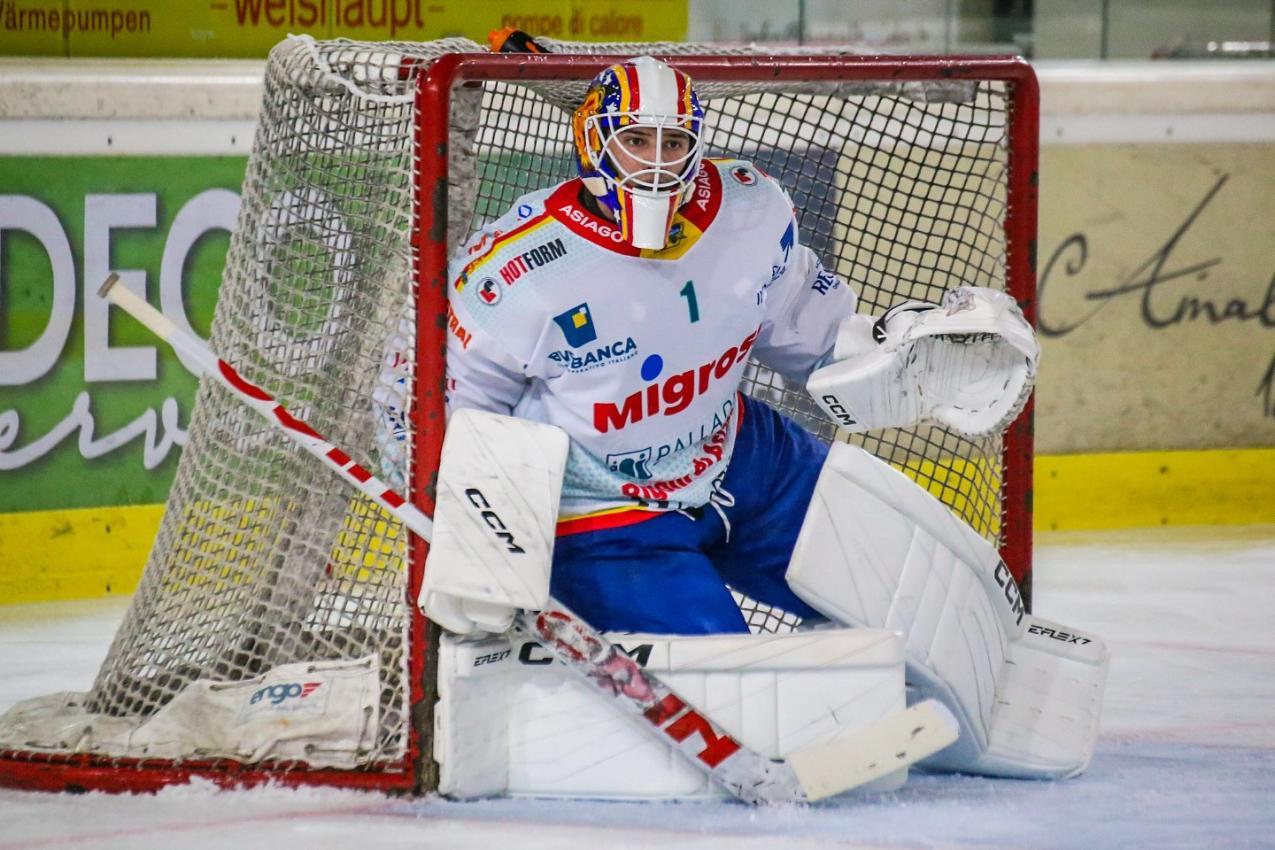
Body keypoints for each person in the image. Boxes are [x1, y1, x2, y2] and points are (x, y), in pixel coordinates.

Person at [439, 56, 1035, 637]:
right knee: (722, 690)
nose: (655, 164)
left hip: (744, 458)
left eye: (673, 144)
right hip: (600, 511)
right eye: (636, 141)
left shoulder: (748, 207)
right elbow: (441, 412)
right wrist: (476, 540)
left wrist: (897, 352)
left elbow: (809, 328)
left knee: (920, 598)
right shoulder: (513, 272)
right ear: (595, 144)